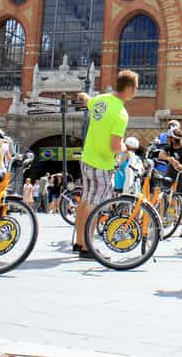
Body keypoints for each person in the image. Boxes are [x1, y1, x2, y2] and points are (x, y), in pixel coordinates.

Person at [73, 70, 138, 258]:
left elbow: (87, 100)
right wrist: (126, 148)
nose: (136, 91)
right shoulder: (121, 113)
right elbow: (115, 145)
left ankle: (79, 242)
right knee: (94, 205)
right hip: (101, 163)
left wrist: (83, 94)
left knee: (85, 201)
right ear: (130, 88)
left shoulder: (100, 100)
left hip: (87, 159)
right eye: (136, 87)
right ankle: (88, 247)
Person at [159, 128, 182, 237]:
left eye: (169, 137)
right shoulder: (169, 148)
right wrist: (169, 158)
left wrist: (178, 165)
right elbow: (160, 155)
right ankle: (164, 221)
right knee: (165, 198)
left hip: (181, 178)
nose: (167, 139)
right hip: (169, 176)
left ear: (174, 139)